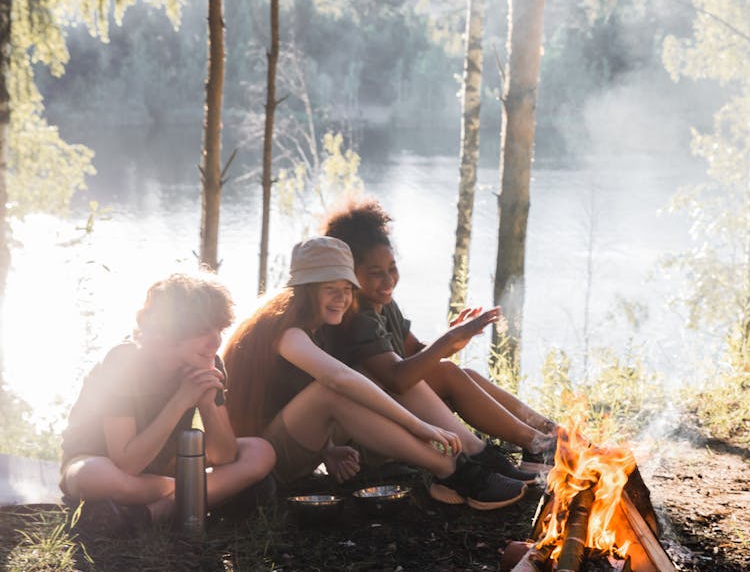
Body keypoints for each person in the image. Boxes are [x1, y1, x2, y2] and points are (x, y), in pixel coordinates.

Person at [222, 236, 528, 510]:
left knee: (377, 374)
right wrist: (419, 427)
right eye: (330, 289)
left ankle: (475, 454)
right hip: (258, 459)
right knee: (334, 390)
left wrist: (328, 449)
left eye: (346, 289)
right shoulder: (285, 330)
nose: (342, 298)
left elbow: (290, 394)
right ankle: (452, 471)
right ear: (305, 291)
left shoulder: (318, 324)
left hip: (290, 442)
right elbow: (335, 382)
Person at [321, 197, 558, 472]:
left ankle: (549, 434)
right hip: (368, 433)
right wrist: (446, 342)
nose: (388, 280)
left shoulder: (383, 305)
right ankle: (538, 445)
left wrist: (452, 339)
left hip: (400, 408)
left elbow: (415, 354)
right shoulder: (357, 318)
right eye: (375, 273)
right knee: (447, 372)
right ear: (349, 273)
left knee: (464, 374)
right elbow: (398, 379)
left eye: (392, 269)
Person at [60, 273, 276, 535]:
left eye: (219, 329)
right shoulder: (124, 363)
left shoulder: (208, 363)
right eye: (202, 331)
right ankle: (197, 495)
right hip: (107, 463)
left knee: (259, 450)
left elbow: (224, 456)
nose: (215, 341)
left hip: (164, 467)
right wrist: (181, 400)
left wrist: (207, 405)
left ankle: (153, 512)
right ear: (170, 331)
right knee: (91, 474)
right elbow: (127, 463)